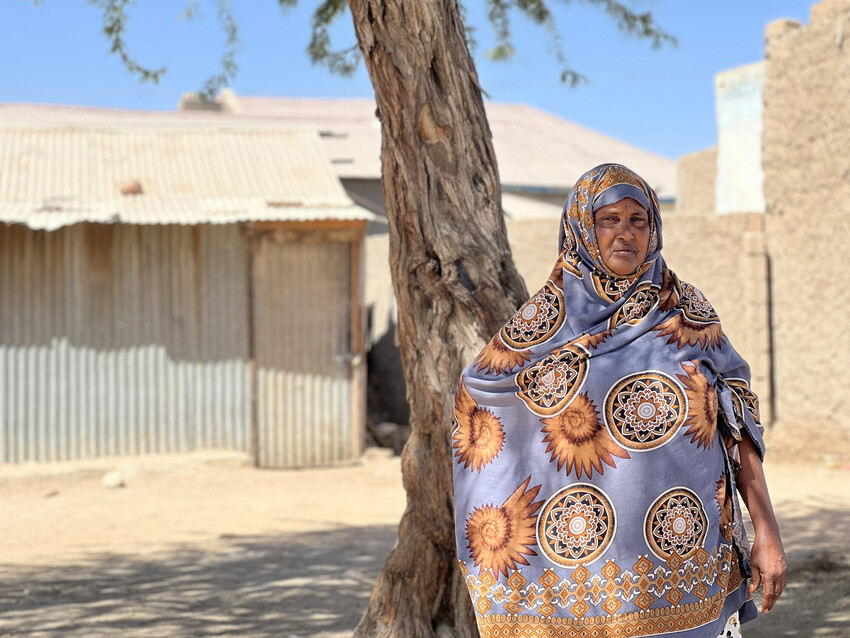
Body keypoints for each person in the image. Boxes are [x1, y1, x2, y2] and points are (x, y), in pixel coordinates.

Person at [452, 163, 786, 637]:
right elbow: (483, 392)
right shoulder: (546, 321)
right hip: (585, 585)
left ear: (655, 230)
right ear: (582, 230)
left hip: (689, 567)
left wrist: (767, 533)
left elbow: (738, 424)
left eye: (638, 220)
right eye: (609, 220)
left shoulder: (686, 311)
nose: (625, 234)